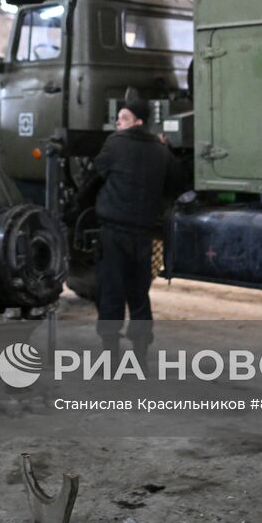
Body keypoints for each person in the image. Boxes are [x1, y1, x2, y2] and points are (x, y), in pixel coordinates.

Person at [89, 99, 181, 357]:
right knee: (139, 295)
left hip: (114, 234)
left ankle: (110, 358)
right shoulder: (161, 151)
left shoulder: (116, 143)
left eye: (124, 118)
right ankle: (140, 357)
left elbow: (96, 175)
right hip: (144, 236)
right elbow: (177, 183)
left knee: (111, 293)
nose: (118, 122)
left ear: (138, 122)